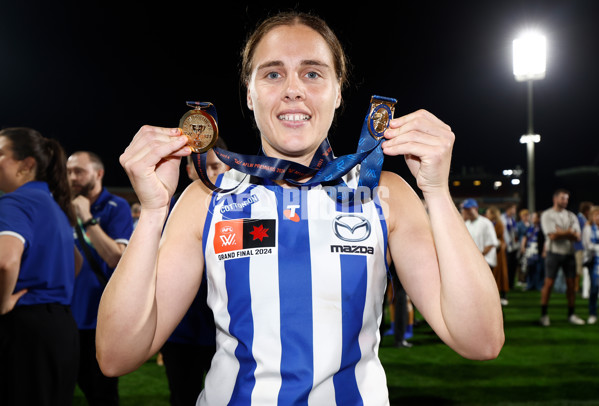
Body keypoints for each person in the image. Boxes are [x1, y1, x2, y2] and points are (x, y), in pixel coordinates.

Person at [96, 11, 504, 404]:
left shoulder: (384, 193)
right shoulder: (208, 198)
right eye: (273, 73)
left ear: (338, 91)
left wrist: (435, 190)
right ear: (250, 94)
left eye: (312, 73)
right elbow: (116, 356)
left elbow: (480, 339)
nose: (294, 89)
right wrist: (152, 211)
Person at [0, 128, 80, 405]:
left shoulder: (15, 201)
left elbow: (5, 261)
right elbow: (76, 261)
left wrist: (1, 301)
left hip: (25, 330)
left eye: (1, 153)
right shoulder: (54, 205)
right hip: (60, 328)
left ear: (27, 165)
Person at [161, 137, 229, 406]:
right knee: (182, 398)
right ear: (189, 169)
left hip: (226, 330)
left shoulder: (246, 209)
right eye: (200, 166)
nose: (207, 173)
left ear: (229, 168)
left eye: (214, 166)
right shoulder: (168, 210)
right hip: (181, 331)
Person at [67, 151, 134, 405]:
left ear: (99, 173)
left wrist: (85, 217)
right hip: (65, 319)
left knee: (102, 396)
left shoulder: (116, 207)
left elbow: (115, 257)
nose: (72, 176)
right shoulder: (61, 207)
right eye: (69, 171)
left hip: (99, 321)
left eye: (79, 171)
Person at [539, 189, 584, 326]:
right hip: (553, 253)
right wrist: (569, 232)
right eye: (563, 198)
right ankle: (544, 315)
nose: (565, 201)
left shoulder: (571, 215)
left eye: (567, 199)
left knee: (571, 285)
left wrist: (561, 232)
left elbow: (577, 237)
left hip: (569, 253)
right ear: (555, 199)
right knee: (549, 284)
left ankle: (571, 314)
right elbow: (552, 235)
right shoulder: (547, 214)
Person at [461, 199, 499, 271]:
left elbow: (491, 243)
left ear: (476, 208)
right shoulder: (466, 224)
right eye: (465, 209)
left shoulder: (486, 223)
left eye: (468, 209)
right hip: (472, 262)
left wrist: (479, 257)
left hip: (486, 261)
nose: (466, 211)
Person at [486, 206, 509, 306]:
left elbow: (495, 238)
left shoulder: (499, 224)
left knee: (500, 273)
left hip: (498, 251)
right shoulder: (489, 223)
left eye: (489, 213)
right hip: (491, 250)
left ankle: (503, 295)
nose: (487, 215)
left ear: (493, 214)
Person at [582, 206, 599, 324]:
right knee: (594, 288)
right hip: (593, 262)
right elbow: (587, 245)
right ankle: (592, 313)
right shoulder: (588, 228)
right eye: (596, 215)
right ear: (592, 216)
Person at [520, 211, 545, 291]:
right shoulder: (530, 228)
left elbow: (545, 240)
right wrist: (523, 247)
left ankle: (539, 286)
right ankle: (530, 285)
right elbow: (525, 237)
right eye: (532, 217)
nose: (532, 219)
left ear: (538, 218)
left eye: (534, 217)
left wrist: (544, 251)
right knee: (530, 269)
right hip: (530, 251)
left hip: (539, 251)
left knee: (539, 269)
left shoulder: (542, 228)